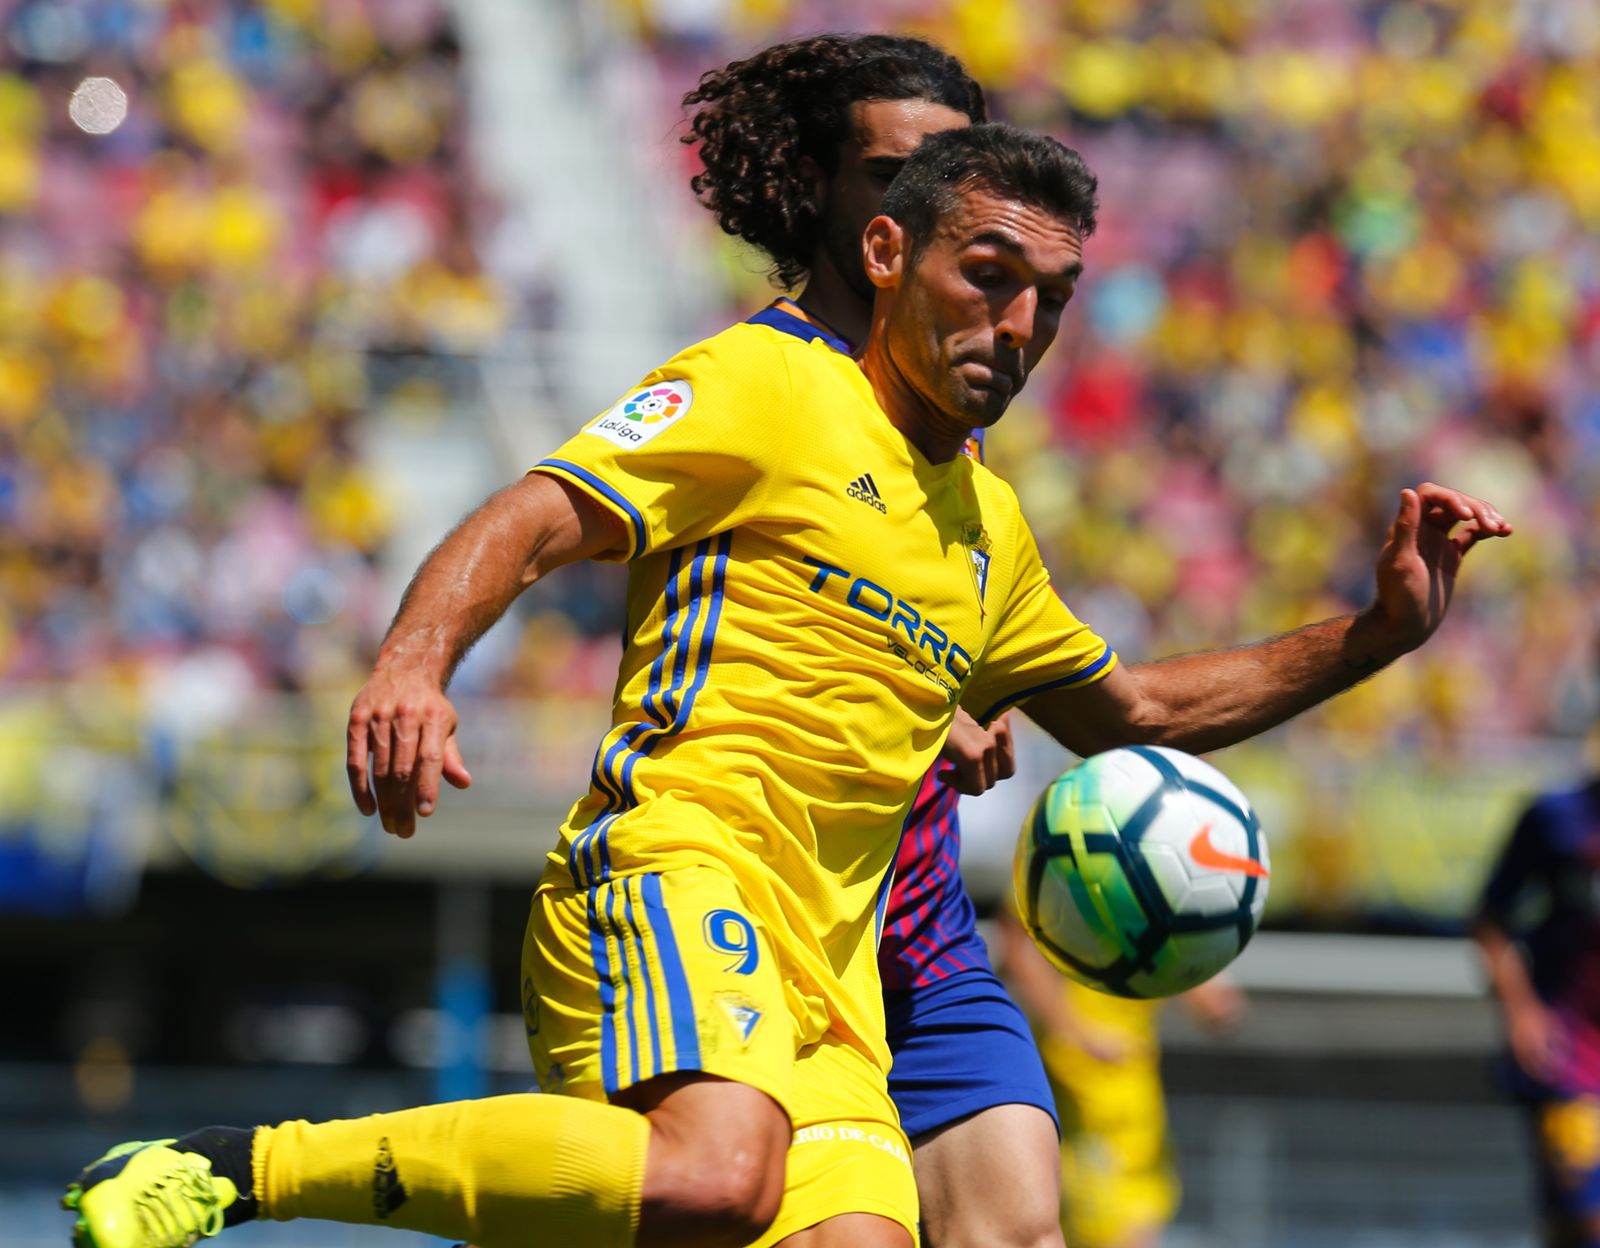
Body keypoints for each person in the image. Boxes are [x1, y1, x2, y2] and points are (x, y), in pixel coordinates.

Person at [64, 123, 1509, 1248]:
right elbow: (534, 516)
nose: (1013, 328)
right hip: (677, 866)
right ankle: (231, 1170)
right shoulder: (769, 385)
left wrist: (1379, 633)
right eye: (985, 277)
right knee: (715, 1177)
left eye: (1049, 302)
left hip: (834, 973)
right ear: (885, 251)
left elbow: (1135, 718)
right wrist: (412, 661)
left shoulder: (985, 529)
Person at [682, 34, 1063, 1248]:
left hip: (917, 924)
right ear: (824, 192)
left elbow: (906, 610)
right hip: (775, 926)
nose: (927, 198)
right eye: (895, 172)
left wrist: (943, 698)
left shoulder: (947, 405)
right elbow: (699, 600)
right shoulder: (765, 384)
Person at [1000, 910, 1246, 1248]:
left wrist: (1207, 992)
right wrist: (1075, 1032)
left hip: (1138, 1101)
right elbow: (1016, 941)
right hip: (1084, 1096)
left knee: (1141, 1224)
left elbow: (1172, 951)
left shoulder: (1159, 880)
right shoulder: (1063, 870)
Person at [1473, 769, 1600, 1248]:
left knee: (1567, 1228)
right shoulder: (1557, 818)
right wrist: (1523, 1011)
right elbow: (1491, 921)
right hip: (1572, 1056)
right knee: (1588, 1220)